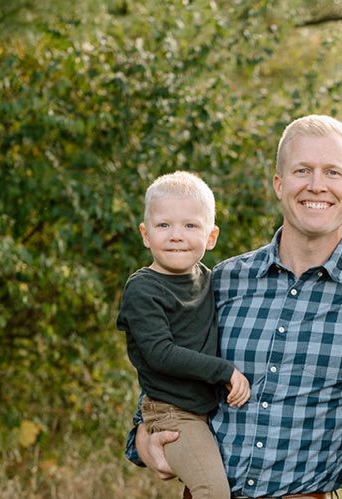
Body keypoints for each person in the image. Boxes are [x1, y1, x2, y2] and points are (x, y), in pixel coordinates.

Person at [127, 115, 342, 498]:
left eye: (332, 172)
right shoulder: (223, 280)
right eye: (302, 170)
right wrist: (142, 433)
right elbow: (167, 360)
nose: (316, 185)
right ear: (279, 184)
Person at [116, 171, 252, 499]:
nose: (177, 236)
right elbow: (160, 353)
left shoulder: (207, 279)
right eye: (164, 226)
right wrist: (225, 371)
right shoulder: (143, 289)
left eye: (190, 226)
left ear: (211, 236)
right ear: (146, 235)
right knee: (212, 491)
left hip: (202, 412)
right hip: (173, 414)